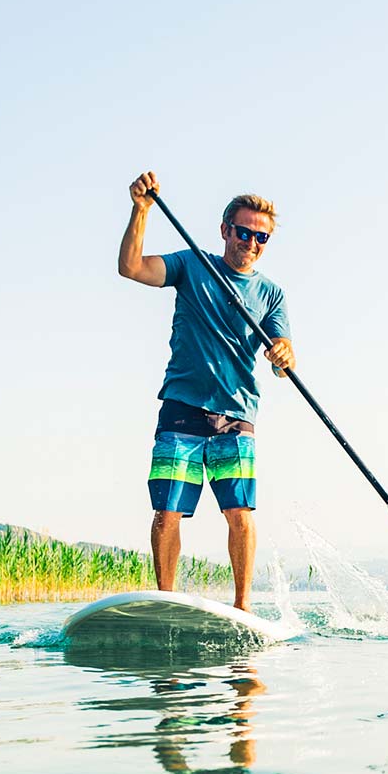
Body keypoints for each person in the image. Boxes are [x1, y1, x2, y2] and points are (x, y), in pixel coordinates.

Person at [118, 172, 295, 610]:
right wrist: (141, 210)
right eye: (243, 232)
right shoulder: (191, 265)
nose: (251, 243)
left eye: (261, 238)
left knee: (239, 514)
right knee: (167, 513)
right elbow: (132, 267)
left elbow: (282, 363)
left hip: (236, 413)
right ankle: (167, 602)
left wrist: (284, 355)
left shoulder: (271, 294)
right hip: (181, 406)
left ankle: (242, 607)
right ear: (224, 230)